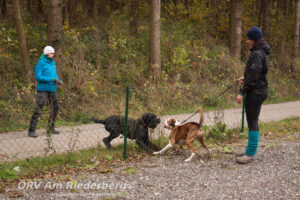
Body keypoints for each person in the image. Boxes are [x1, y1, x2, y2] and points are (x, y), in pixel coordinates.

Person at [235, 26, 271, 164]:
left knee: (252, 120)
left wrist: (242, 92)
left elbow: (255, 74)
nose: (247, 41)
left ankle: (250, 154)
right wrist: (245, 78)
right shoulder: (261, 51)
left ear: (255, 40)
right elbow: (257, 72)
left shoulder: (257, 54)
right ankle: (249, 150)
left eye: (249, 39)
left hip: (256, 91)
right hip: (259, 88)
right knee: (252, 120)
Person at [28, 46, 63, 138]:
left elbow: (54, 75)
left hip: (52, 89)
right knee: (38, 109)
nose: (52, 55)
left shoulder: (53, 64)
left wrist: (58, 80)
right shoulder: (41, 63)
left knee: (55, 108)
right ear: (46, 53)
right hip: (42, 90)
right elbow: (38, 76)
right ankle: (31, 130)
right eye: (50, 53)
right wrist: (51, 79)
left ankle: (51, 128)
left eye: (52, 53)